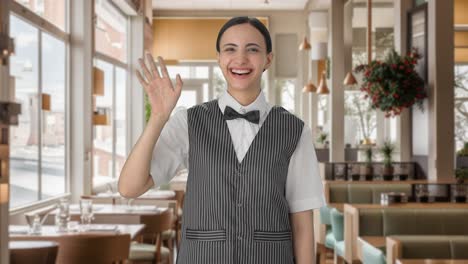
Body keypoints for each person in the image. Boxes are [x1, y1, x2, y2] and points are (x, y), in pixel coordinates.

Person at [118, 16, 325, 264]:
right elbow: (129, 187)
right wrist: (159, 117)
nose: (240, 59)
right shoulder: (188, 122)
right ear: (218, 58)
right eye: (230, 49)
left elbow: (302, 225)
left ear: (268, 59)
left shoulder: (295, 130)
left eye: (253, 49)